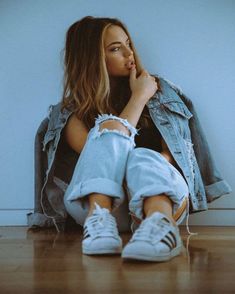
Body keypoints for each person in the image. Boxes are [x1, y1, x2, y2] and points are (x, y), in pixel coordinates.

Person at [30, 15, 231, 262]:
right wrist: (138, 99)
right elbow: (103, 161)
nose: (130, 54)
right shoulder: (68, 113)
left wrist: (146, 99)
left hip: (159, 198)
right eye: (116, 48)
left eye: (128, 44)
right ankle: (99, 221)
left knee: (142, 157)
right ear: (92, 59)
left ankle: (161, 228)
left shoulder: (160, 94)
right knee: (107, 132)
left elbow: (170, 158)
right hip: (104, 207)